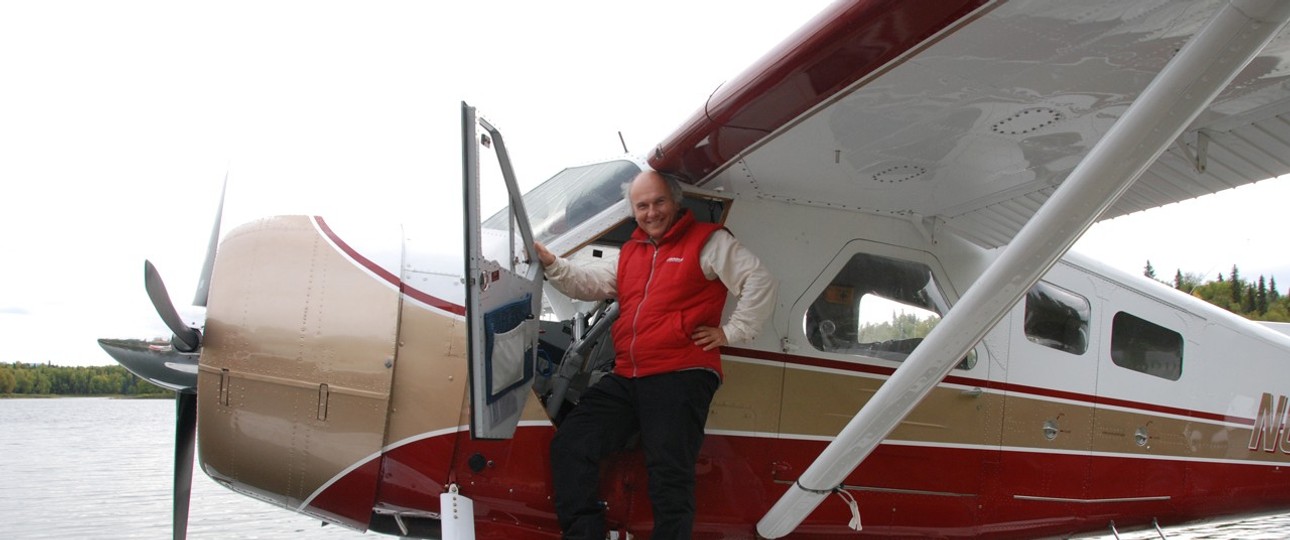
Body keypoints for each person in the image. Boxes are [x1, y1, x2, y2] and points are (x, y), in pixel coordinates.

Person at [536, 170, 776, 539]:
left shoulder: (708, 242)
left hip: (681, 373)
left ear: (676, 202)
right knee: (571, 443)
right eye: (642, 205)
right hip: (629, 374)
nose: (652, 212)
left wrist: (731, 332)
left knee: (669, 474)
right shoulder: (630, 253)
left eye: (659, 202)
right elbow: (586, 282)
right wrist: (550, 262)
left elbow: (758, 279)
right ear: (633, 211)